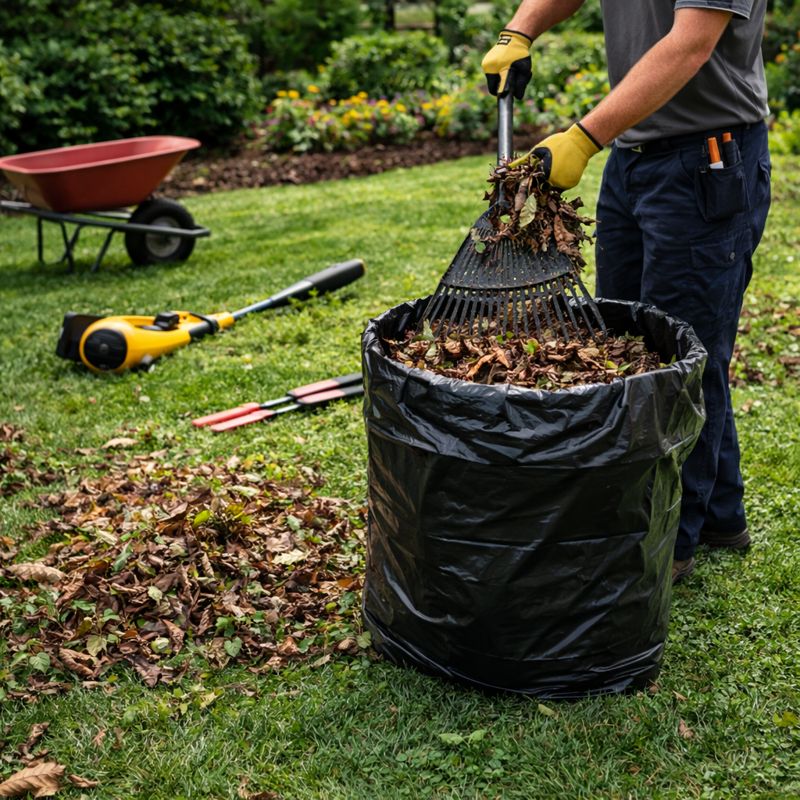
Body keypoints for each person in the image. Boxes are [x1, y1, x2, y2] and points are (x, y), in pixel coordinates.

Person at [482, 1, 771, 584]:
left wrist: (582, 139)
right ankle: (719, 515)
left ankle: (666, 545)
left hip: (707, 160)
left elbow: (690, 44)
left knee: (677, 361)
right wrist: (521, 28)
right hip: (632, 157)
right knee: (632, 347)